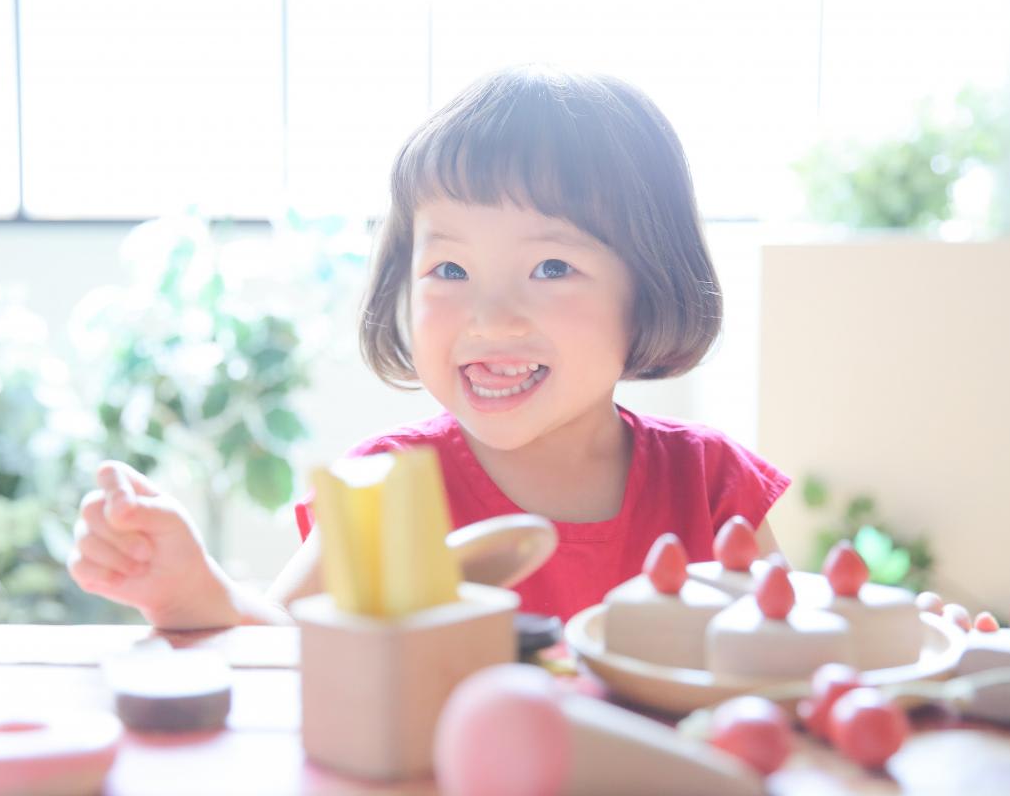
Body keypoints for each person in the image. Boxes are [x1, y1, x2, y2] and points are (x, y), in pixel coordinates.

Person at [68, 65, 789, 629]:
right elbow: (286, 651)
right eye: (449, 270)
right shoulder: (388, 490)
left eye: (551, 268)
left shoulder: (712, 488)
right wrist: (191, 592)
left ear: (651, 285)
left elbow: (786, 661)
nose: (490, 317)